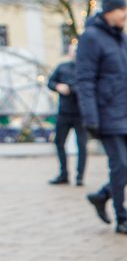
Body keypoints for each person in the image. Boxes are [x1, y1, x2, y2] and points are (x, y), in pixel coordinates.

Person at [76, 0, 127, 235]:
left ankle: (102, 195)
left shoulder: (126, 42)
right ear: (108, 11)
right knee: (119, 165)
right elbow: (84, 80)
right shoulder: (91, 38)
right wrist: (91, 117)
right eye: (121, 9)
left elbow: (126, 75)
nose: (125, 14)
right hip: (107, 113)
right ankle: (122, 218)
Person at [47, 43, 88, 186]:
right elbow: (50, 82)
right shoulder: (62, 67)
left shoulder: (86, 68)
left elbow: (87, 87)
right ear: (69, 53)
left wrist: (70, 87)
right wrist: (57, 86)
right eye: (73, 51)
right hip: (64, 113)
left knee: (81, 145)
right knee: (59, 142)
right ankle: (63, 173)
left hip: (80, 114)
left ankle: (80, 176)